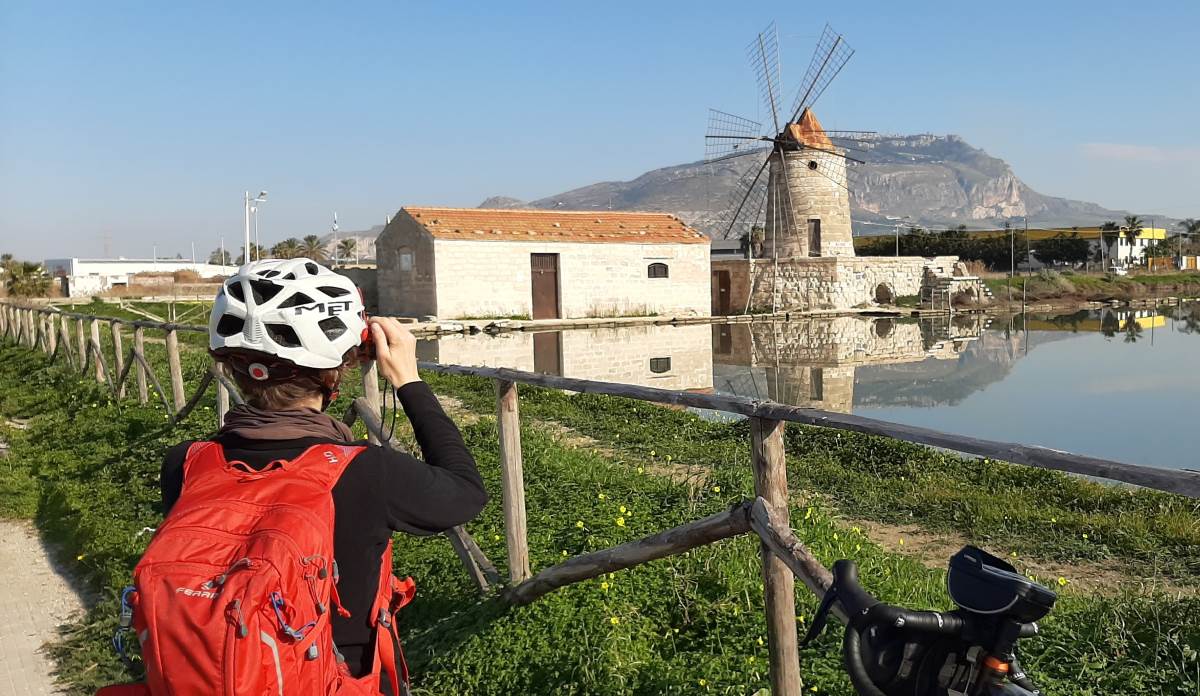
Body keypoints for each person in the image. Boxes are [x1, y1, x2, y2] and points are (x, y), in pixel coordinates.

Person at [152, 258, 487, 695]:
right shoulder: (365, 471)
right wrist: (408, 379)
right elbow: (466, 493)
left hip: (214, 676)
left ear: (231, 366)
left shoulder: (186, 464)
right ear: (336, 372)